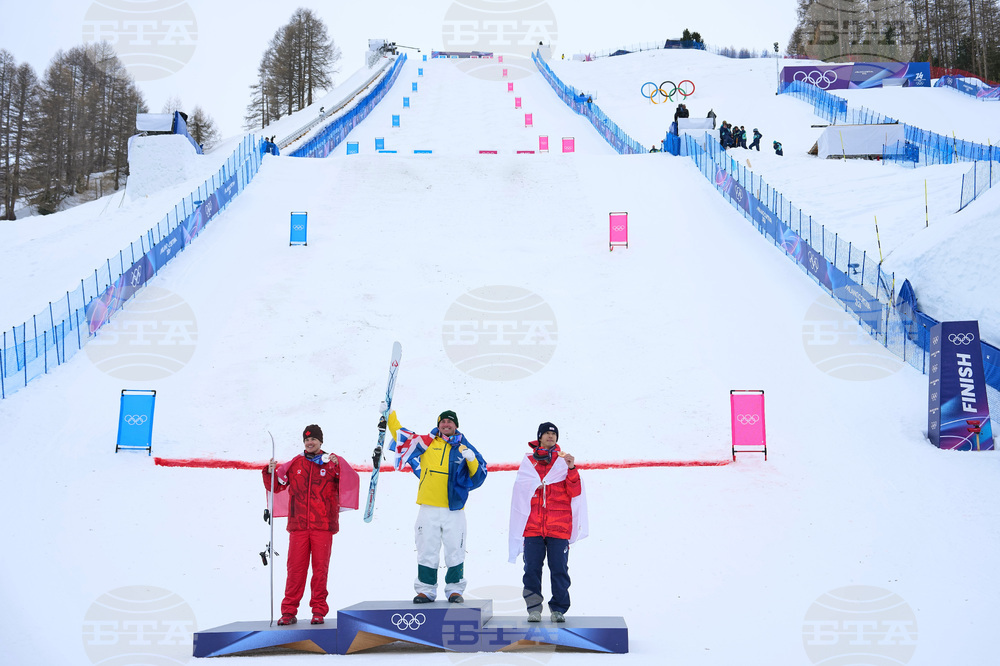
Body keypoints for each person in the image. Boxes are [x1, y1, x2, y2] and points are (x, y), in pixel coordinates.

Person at [384, 409, 488, 604]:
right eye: (443, 422)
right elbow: (400, 435)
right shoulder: (425, 443)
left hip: (454, 509)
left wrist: (471, 459)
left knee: (455, 549)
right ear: (438, 424)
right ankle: (426, 590)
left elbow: (479, 475)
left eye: (450, 422)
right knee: (426, 548)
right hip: (428, 507)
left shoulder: (464, 446)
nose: (446, 424)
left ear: (456, 425)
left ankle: (455, 590)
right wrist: (389, 414)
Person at [263, 425, 359, 626]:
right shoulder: (295, 463)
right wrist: (269, 472)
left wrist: (339, 464)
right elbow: (277, 485)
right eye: (307, 440)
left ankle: (318, 611)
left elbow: (349, 481)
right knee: (295, 571)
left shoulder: (330, 462)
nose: (310, 442)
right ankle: (288, 612)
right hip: (298, 526)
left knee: (320, 570)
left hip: (322, 526)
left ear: (320, 441)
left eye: (313, 439)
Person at [508, 422, 588, 623]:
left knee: (559, 569)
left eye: (554, 434)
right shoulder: (528, 462)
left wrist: (571, 469)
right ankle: (533, 608)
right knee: (531, 569)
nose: (551, 436)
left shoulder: (564, 461)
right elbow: (521, 491)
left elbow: (575, 491)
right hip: (533, 526)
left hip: (559, 526)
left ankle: (558, 609)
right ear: (539, 437)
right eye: (547, 433)